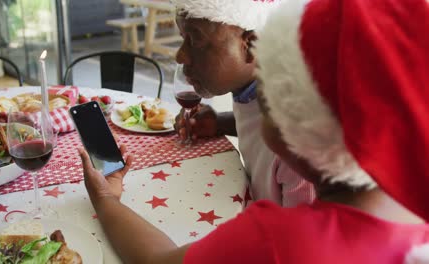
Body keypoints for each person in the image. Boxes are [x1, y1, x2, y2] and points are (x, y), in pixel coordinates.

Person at [78, 0, 429, 263]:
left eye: (274, 83)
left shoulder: (278, 239)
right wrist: (222, 123)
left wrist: (106, 199)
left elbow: (158, 261)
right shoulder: (409, 217)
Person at [173, 0, 315, 206]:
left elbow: (302, 235)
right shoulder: (254, 91)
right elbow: (256, 125)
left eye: (195, 41)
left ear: (251, 46)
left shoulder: (297, 141)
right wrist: (220, 122)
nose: (180, 56)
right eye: (182, 38)